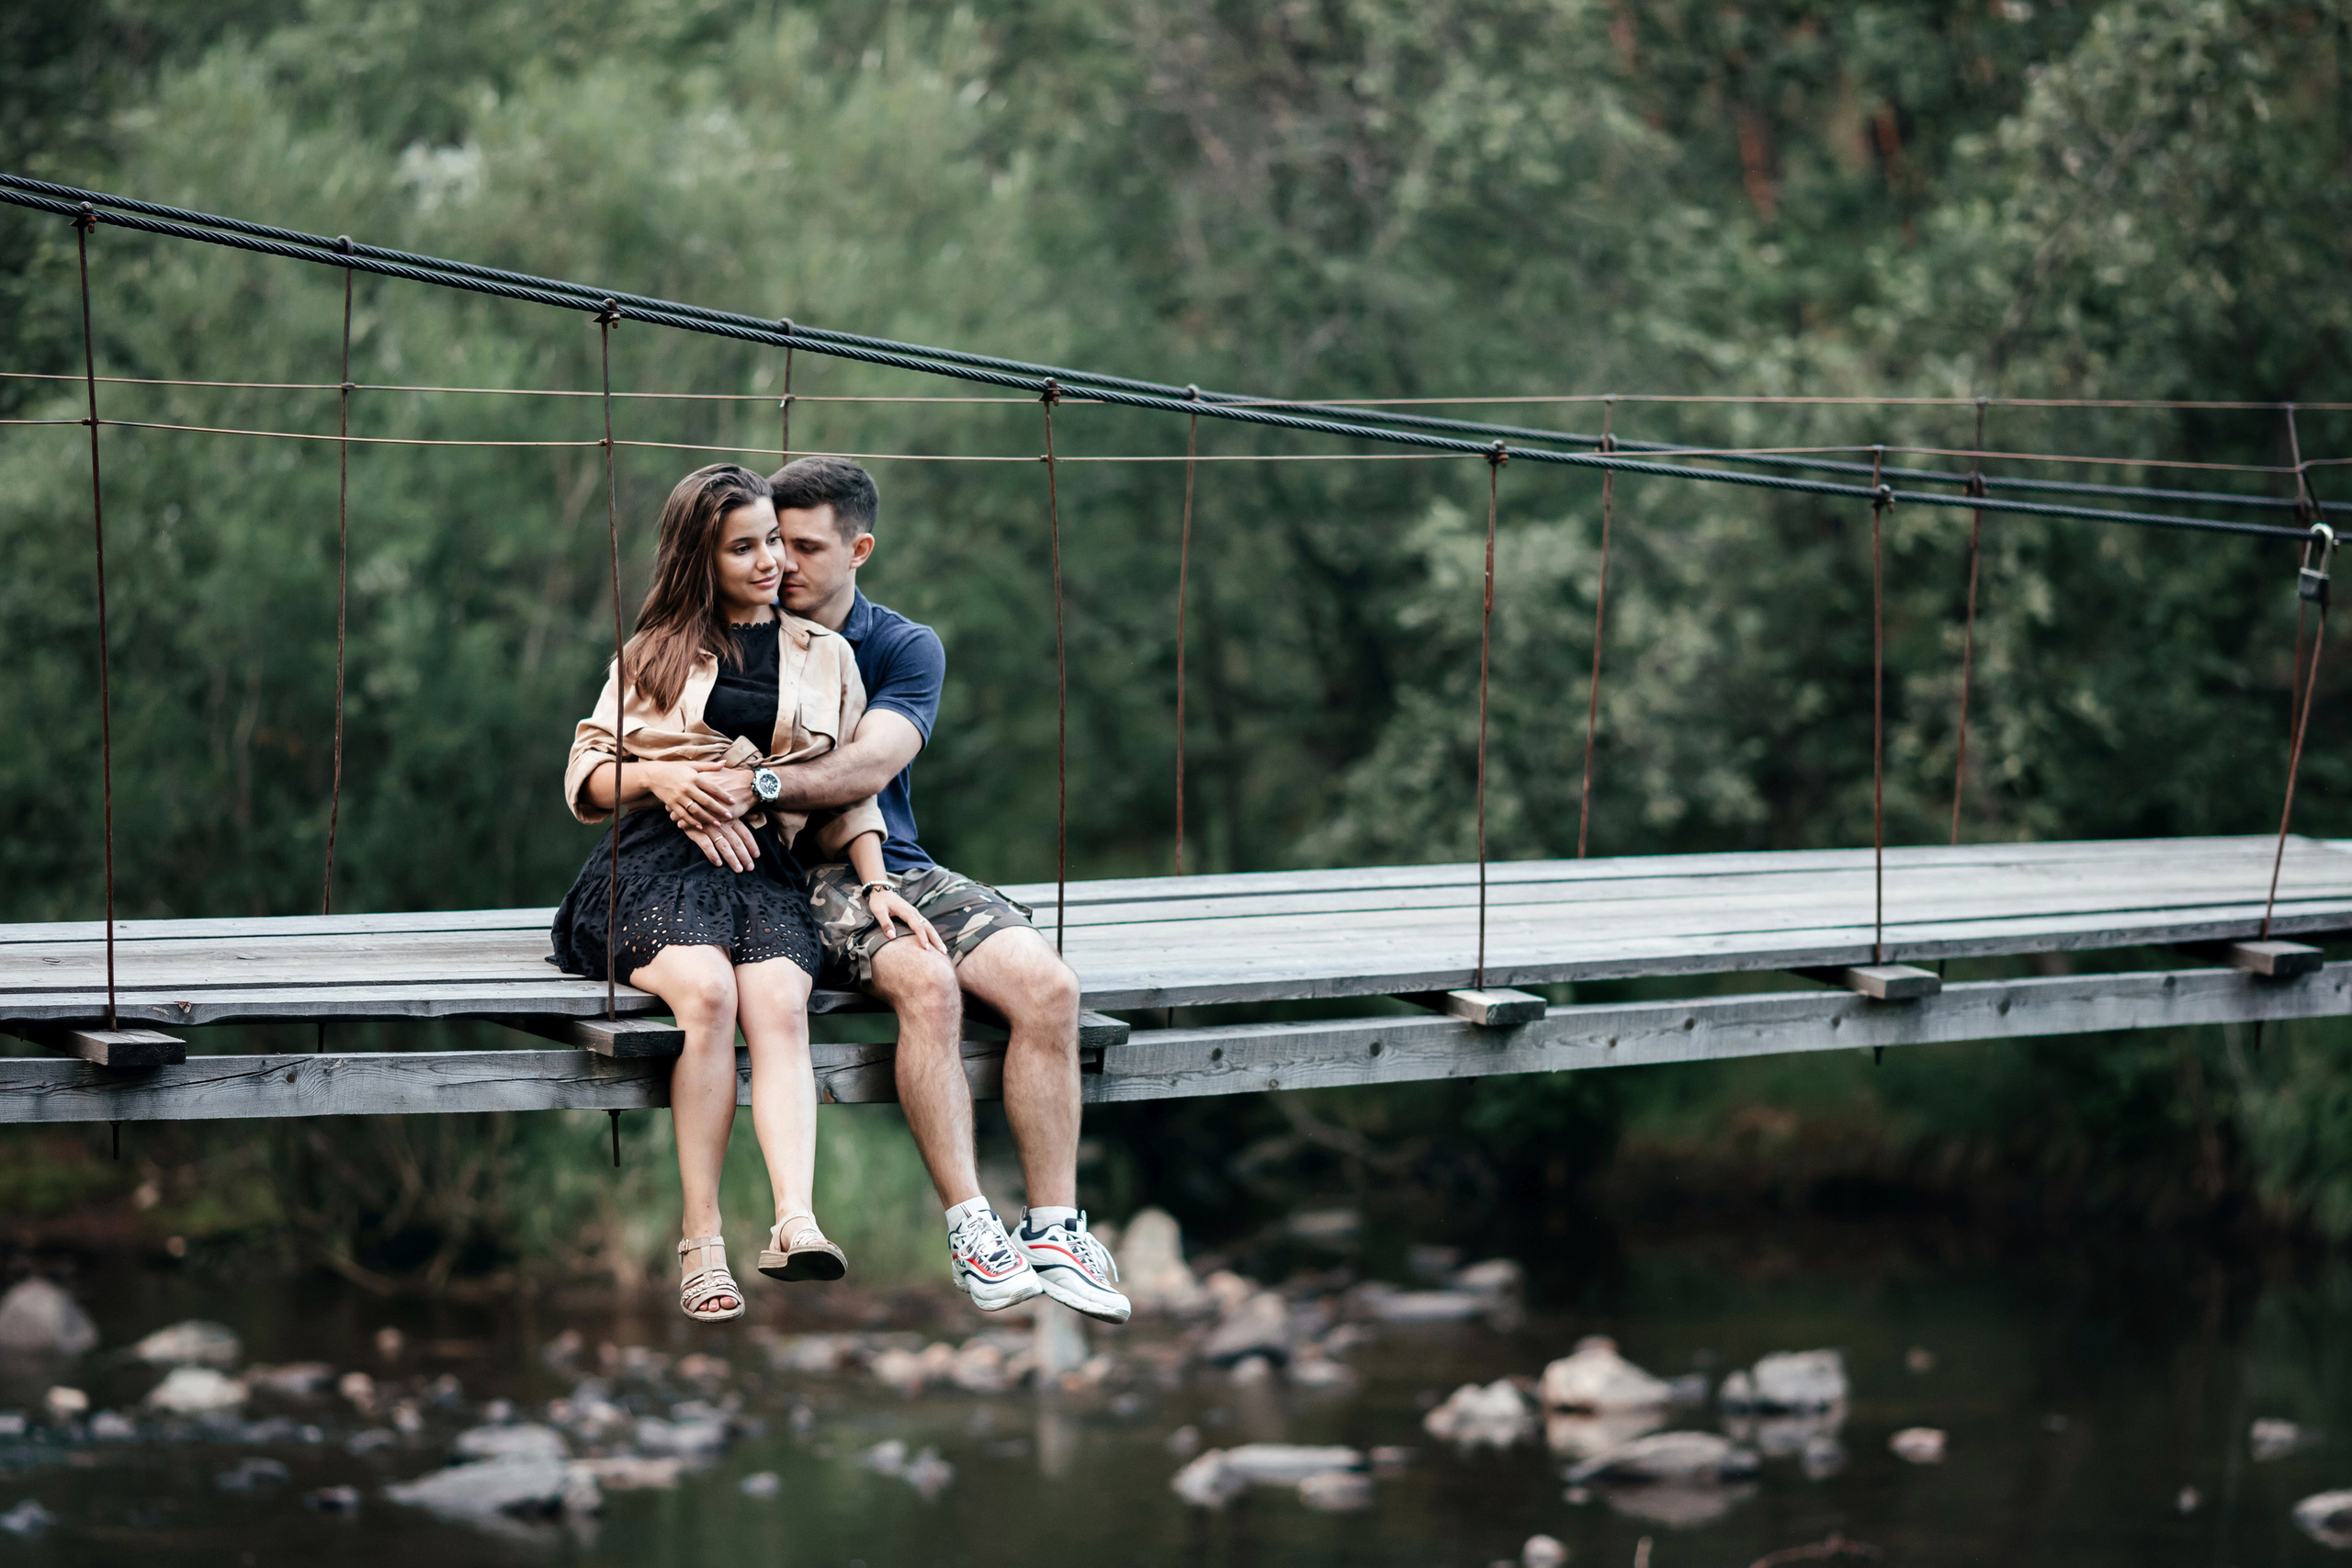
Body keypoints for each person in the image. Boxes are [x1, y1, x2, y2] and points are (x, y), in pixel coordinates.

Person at [664, 457, 1130, 1325]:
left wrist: (757, 783)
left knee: (1051, 988)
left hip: (895, 862)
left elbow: (870, 765)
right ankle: (971, 1226)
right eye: (771, 543)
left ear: (859, 550)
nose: (782, 563)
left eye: (805, 546)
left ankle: (1056, 1228)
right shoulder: (724, 637)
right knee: (927, 981)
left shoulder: (902, 646)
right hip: (784, 878)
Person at [551, 463, 944, 1325]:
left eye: (773, 539)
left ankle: (795, 1219)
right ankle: (701, 1239)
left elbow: (850, 794)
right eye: (744, 548)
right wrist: (661, 777)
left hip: (760, 868)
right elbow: (587, 771)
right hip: (651, 862)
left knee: (778, 1000)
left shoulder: (829, 657)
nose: (770, 561)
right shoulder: (652, 651)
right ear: (703, 558)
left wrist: (877, 884)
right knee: (709, 993)